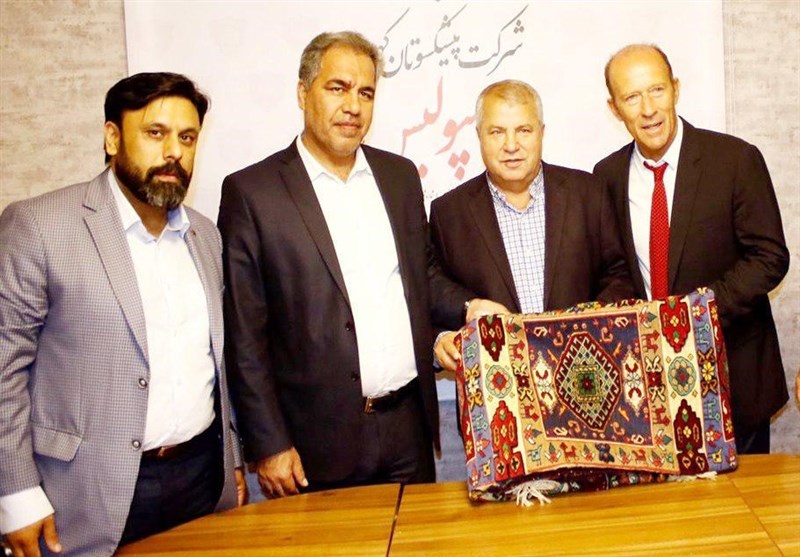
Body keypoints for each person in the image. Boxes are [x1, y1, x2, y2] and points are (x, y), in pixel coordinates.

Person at [218, 31, 503, 498]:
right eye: (338, 88)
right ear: (303, 93)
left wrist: (469, 307)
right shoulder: (253, 193)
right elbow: (245, 334)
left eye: (366, 93)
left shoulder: (398, 176)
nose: (353, 106)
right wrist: (269, 444)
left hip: (407, 430)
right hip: (313, 445)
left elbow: (422, 276)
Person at [0, 72, 247, 557]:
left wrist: (231, 457)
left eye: (187, 138)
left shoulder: (205, 235)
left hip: (200, 479)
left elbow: (217, 365)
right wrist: (17, 493)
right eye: (155, 133)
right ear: (112, 138)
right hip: (86, 491)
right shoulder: (39, 226)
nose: (173, 152)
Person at [594, 44, 790, 454]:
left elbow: (770, 257)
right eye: (632, 97)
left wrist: (694, 314)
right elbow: (615, 268)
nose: (649, 109)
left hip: (734, 379)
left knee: (744, 497)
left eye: (657, 90)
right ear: (614, 109)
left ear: (676, 89)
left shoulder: (735, 159)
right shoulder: (606, 176)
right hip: (651, 389)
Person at [431, 80, 634, 370]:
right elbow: (435, 296)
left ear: (541, 132)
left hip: (585, 373)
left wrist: (588, 324)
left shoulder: (589, 193)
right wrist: (442, 338)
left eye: (523, 130)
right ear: (479, 136)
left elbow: (619, 275)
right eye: (497, 132)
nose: (511, 145)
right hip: (497, 383)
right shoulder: (448, 213)